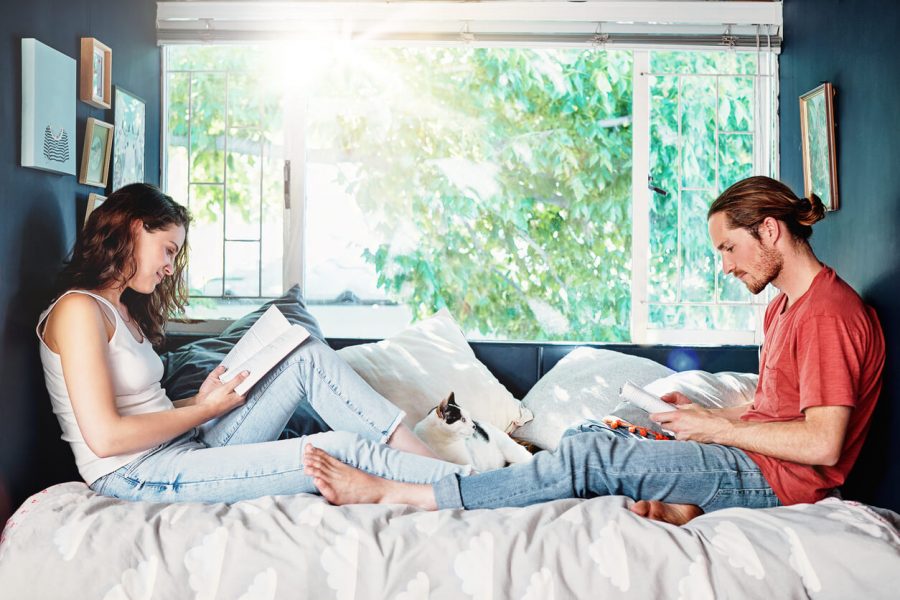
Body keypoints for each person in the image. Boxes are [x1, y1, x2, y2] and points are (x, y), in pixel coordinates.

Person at [302, 176, 886, 525]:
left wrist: (718, 433)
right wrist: (704, 417)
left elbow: (821, 442)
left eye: (729, 248)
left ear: (770, 230)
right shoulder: (786, 305)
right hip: (752, 458)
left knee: (587, 460)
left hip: (776, 481)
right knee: (590, 433)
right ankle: (682, 501)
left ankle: (407, 492)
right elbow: (778, 408)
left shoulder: (829, 315)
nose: (726, 266)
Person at [37, 183, 468, 504]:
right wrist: (205, 411)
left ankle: (449, 473)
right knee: (335, 450)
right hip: (134, 472)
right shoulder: (78, 310)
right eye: (167, 250)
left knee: (304, 355)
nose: (170, 267)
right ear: (134, 227)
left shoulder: (121, 309)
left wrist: (200, 403)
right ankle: (461, 487)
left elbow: (146, 410)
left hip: (176, 444)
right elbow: (106, 437)